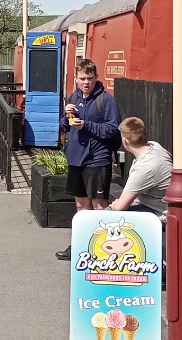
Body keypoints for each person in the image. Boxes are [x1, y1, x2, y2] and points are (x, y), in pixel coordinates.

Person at [56, 59, 121, 261]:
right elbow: (64, 127)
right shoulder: (73, 97)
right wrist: (66, 117)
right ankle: (80, 247)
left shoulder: (106, 100)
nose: (86, 82)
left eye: (90, 78)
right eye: (82, 78)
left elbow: (112, 128)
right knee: (81, 207)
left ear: (96, 78)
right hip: (76, 159)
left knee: (100, 205)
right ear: (76, 79)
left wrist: (86, 125)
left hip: (97, 159)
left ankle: (103, 250)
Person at [107, 117, 171, 214]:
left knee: (105, 215)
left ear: (125, 141)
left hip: (157, 214)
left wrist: (115, 204)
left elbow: (120, 207)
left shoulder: (144, 168)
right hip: (151, 204)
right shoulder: (155, 146)